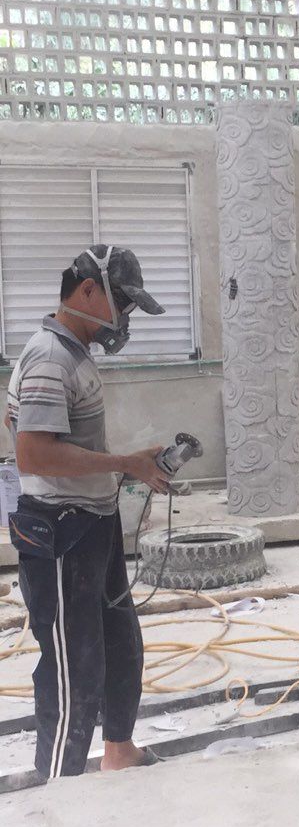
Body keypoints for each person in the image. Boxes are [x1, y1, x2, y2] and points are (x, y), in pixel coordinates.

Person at [6, 245, 170, 779]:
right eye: (122, 304)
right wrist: (122, 462)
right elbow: (33, 453)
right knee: (72, 670)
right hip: (61, 533)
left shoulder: (73, 353)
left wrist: (122, 468)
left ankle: (118, 752)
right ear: (88, 291)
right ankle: (61, 785)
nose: (124, 319)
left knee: (120, 645)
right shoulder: (49, 357)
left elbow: (41, 434)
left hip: (93, 523)